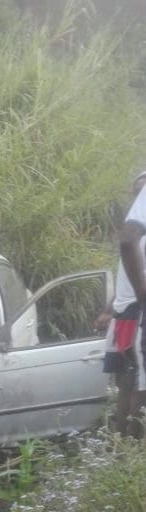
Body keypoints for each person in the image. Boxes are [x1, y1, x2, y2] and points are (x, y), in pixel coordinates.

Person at [98, 170, 146, 436]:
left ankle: (122, 445)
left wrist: (108, 310)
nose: (139, 195)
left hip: (127, 316)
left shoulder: (138, 237)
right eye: (137, 191)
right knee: (136, 387)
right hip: (133, 316)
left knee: (129, 385)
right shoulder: (137, 239)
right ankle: (131, 447)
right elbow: (131, 285)